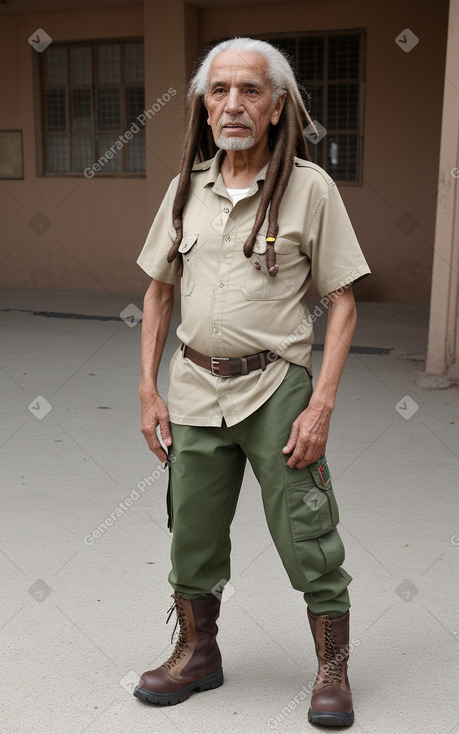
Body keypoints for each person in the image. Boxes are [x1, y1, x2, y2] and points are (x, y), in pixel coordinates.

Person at [133, 37, 370, 728]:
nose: (232, 103)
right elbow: (156, 294)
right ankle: (196, 653)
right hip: (195, 390)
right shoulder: (186, 192)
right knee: (192, 534)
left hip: (277, 390)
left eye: (249, 90)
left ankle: (331, 670)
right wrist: (148, 390)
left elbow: (345, 301)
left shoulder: (309, 189)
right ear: (205, 107)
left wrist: (320, 403)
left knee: (307, 530)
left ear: (275, 107)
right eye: (219, 90)